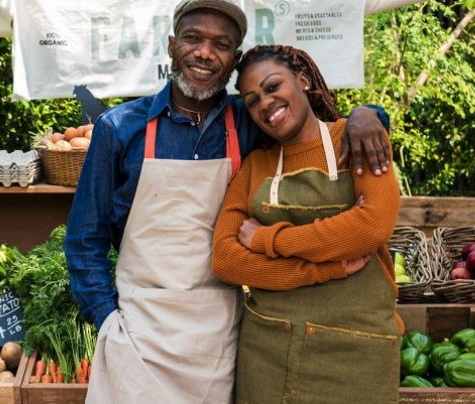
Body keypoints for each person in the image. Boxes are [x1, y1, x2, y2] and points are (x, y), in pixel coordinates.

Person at [64, 1, 391, 402]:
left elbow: (309, 120)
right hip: (137, 334)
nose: (204, 52)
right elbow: (84, 238)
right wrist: (106, 319)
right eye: (193, 38)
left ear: (234, 60)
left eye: (220, 45)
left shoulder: (250, 122)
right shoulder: (120, 128)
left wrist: (368, 114)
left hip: (218, 340)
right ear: (172, 46)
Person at [211, 44, 403, 404]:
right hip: (267, 353)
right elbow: (226, 260)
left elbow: (372, 226)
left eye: (272, 87)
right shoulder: (255, 166)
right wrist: (322, 269)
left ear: (303, 80)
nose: (265, 103)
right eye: (252, 101)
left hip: (354, 353)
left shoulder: (357, 140)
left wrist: (266, 240)